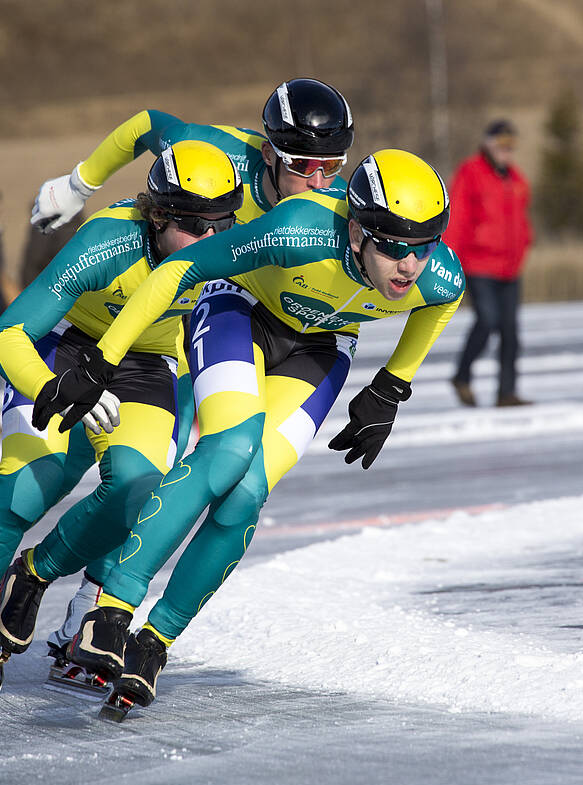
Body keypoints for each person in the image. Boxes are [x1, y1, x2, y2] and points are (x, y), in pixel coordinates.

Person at [4, 148, 464, 711]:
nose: (409, 265)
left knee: (246, 495)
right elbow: (179, 270)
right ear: (356, 230)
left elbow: (443, 302)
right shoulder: (298, 230)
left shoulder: (438, 273)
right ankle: (113, 608)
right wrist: (102, 361)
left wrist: (391, 385)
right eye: (392, 245)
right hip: (238, 312)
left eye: (423, 245)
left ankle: (154, 643)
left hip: (319, 349)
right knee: (228, 450)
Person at [21, 77, 354, 662]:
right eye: (306, 167)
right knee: (99, 464)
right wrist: (78, 184)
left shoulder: (333, 202)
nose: (321, 183)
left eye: (334, 167)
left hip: (218, 328)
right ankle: (63, 593)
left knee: (167, 472)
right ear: (271, 154)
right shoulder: (218, 153)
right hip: (156, 318)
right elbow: (146, 122)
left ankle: (91, 610)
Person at [0, 141, 244, 675]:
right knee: (23, 491)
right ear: (158, 216)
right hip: (66, 348)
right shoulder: (106, 242)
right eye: (197, 227)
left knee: (139, 489)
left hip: (146, 365)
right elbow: (11, 331)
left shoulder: (229, 244)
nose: (212, 240)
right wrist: (46, 386)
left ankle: (35, 573)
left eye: (224, 224)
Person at [446, 120, 533, 407]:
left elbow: (520, 219)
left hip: (509, 266)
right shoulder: (470, 171)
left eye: (510, 146)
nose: (505, 151)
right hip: (478, 262)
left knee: (510, 330)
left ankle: (506, 392)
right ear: (488, 143)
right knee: (487, 320)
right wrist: (449, 257)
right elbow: (456, 216)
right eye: (500, 144)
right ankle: (462, 375)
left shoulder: (515, 178)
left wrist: (525, 242)